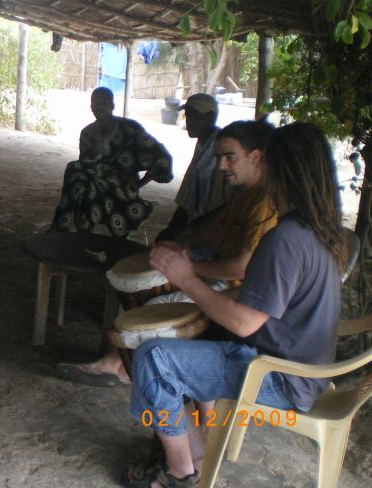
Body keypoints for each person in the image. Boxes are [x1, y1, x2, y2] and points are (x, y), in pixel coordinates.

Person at [122, 122, 345, 488]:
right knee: (192, 343)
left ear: (281, 169)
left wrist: (187, 278)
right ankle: (195, 440)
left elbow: (243, 323)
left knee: (153, 357)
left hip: (278, 379)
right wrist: (201, 296)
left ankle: (180, 472)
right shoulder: (318, 231)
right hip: (305, 374)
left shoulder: (286, 239)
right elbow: (258, 295)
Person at [56, 119, 277, 386]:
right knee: (153, 289)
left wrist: (188, 269)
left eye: (230, 157)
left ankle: (118, 366)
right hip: (225, 277)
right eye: (219, 158)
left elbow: (241, 267)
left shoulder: (264, 202)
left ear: (255, 157)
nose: (221, 166)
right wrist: (183, 246)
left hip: (240, 291)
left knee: (157, 304)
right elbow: (217, 230)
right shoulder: (245, 193)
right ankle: (123, 362)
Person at [52, 87, 173, 237]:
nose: (99, 107)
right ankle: (84, 237)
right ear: (91, 108)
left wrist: (140, 183)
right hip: (94, 180)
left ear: (113, 105)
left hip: (122, 183)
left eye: (104, 102)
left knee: (85, 181)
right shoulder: (87, 133)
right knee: (77, 175)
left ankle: (115, 241)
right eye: (95, 103)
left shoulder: (130, 128)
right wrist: (96, 145)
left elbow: (161, 156)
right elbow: (86, 164)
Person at [156, 93, 229, 242]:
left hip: (216, 230)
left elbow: (226, 204)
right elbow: (188, 196)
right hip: (201, 226)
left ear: (211, 118)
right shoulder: (202, 144)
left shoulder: (221, 147)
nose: (190, 122)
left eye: (196, 117)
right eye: (188, 116)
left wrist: (193, 228)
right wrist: (171, 229)